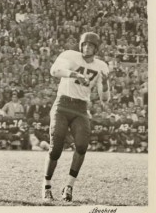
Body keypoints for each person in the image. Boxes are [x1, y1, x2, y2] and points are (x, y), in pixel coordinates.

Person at [42, 32, 110, 202]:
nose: (87, 48)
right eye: (85, 44)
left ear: (96, 48)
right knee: (56, 148)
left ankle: (69, 186)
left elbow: (104, 98)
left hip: (81, 108)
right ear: (80, 45)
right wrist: (75, 74)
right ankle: (46, 185)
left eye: (91, 45)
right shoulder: (70, 55)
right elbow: (54, 71)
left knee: (81, 146)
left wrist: (106, 84)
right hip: (62, 104)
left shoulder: (101, 66)